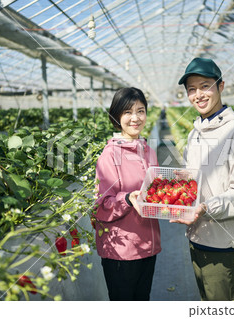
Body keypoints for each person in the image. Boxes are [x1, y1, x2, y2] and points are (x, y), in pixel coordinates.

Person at [172, 57, 234, 301]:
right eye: (191, 89)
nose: (198, 94)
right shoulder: (194, 133)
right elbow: (197, 181)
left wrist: (206, 208)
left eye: (205, 86)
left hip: (221, 242)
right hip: (195, 236)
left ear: (220, 86)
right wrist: (183, 182)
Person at [93, 87, 161, 301]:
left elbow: (155, 192)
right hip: (121, 250)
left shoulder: (148, 151)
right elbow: (101, 206)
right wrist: (127, 199)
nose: (135, 118)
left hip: (148, 246)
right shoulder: (109, 155)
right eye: (127, 112)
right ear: (116, 116)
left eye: (140, 111)